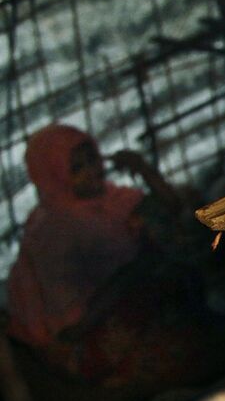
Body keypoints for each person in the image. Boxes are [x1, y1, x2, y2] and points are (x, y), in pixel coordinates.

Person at [4, 123, 201, 385]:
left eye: (93, 159)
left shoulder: (108, 200)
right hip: (79, 339)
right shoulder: (55, 228)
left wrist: (143, 168)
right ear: (53, 177)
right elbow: (72, 326)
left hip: (115, 304)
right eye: (76, 169)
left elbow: (171, 207)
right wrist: (133, 275)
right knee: (183, 346)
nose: (92, 171)